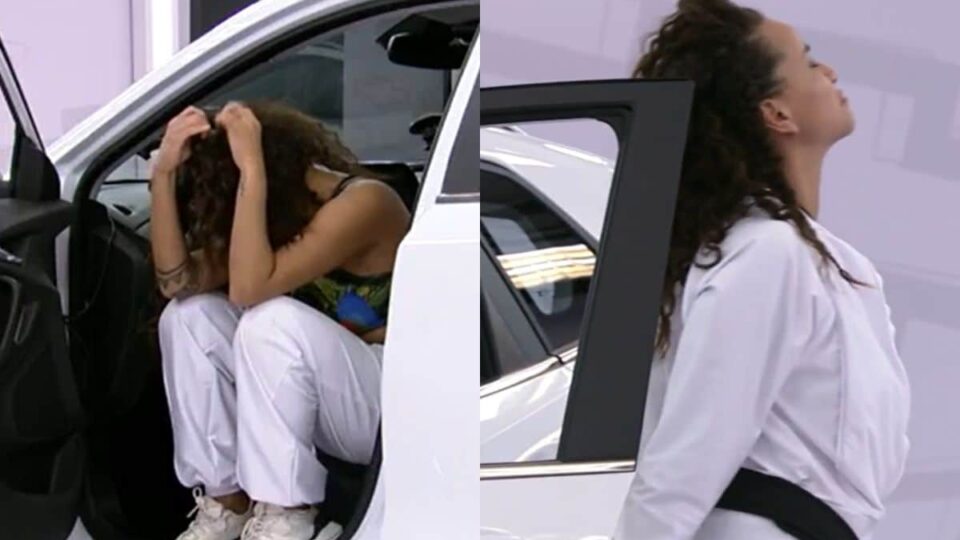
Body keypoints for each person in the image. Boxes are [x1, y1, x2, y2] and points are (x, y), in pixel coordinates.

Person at [613, 1, 911, 539]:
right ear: (777, 114)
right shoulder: (766, 252)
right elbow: (686, 460)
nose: (830, 71)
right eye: (809, 61)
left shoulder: (823, 260)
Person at [149, 101, 410, 540]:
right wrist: (162, 175)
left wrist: (251, 171)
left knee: (269, 321)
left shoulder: (365, 201)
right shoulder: (278, 221)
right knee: (189, 316)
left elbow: (249, 289)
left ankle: (287, 517)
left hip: (391, 405)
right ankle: (227, 505)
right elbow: (176, 282)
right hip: (322, 397)